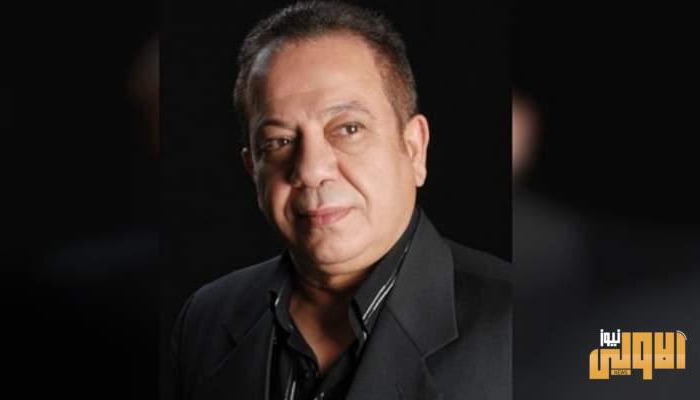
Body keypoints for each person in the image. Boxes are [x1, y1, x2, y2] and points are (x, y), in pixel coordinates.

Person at [170, 2, 510, 399]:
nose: (311, 169)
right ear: (253, 170)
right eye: (279, 141)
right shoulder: (204, 321)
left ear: (414, 148)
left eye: (348, 129)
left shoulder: (521, 323)